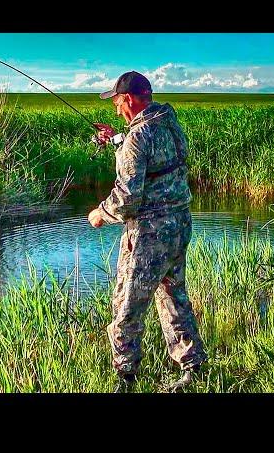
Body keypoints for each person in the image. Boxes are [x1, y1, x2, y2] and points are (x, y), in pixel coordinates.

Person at [88, 71, 207, 393]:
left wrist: (101, 213)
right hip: (179, 225)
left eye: (116, 102)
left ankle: (125, 378)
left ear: (127, 99)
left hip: (149, 234)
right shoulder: (168, 124)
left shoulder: (140, 135)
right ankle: (193, 366)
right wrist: (117, 141)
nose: (115, 109)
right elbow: (157, 161)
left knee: (127, 305)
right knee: (173, 297)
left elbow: (127, 199)